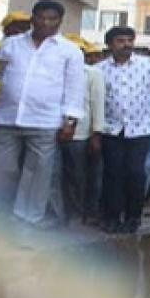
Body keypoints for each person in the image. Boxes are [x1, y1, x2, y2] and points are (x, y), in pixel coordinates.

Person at [0, 0, 86, 227]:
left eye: (51, 18)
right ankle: (4, 217)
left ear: (59, 22)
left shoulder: (69, 51)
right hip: (6, 116)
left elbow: (74, 88)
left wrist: (70, 122)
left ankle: (27, 219)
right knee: (1, 168)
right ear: (33, 18)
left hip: (45, 120)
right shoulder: (11, 45)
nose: (45, 22)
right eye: (41, 17)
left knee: (37, 173)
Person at [97, 26, 150, 233]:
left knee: (135, 174)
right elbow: (95, 101)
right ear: (110, 44)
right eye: (120, 40)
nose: (126, 44)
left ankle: (133, 217)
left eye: (129, 40)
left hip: (140, 129)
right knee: (112, 174)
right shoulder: (100, 70)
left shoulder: (148, 66)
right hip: (111, 129)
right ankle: (112, 217)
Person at [52, 38, 105, 227]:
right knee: (55, 176)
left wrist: (96, 134)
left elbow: (97, 105)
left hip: (80, 134)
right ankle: (58, 214)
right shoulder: (52, 72)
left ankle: (77, 214)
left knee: (78, 176)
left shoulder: (92, 74)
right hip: (52, 131)